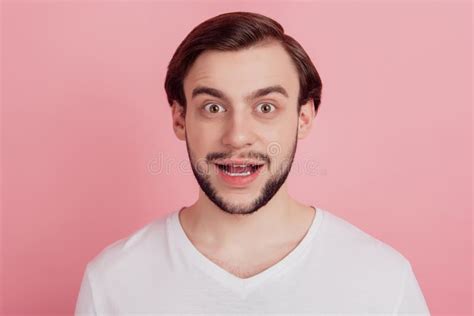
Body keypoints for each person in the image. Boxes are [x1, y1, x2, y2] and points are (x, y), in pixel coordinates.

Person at [75, 11, 430, 315]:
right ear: (180, 119)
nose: (237, 136)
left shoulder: (382, 281)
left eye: (265, 108)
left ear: (303, 118)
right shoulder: (113, 281)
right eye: (213, 108)